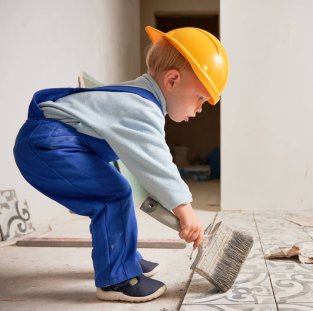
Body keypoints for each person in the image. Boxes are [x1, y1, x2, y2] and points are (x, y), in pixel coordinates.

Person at [13, 26, 229, 302]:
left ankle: (124, 257)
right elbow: (157, 163)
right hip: (47, 145)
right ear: (172, 80)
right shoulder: (141, 108)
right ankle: (116, 279)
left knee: (119, 189)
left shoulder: (138, 96)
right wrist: (185, 211)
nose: (199, 110)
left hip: (54, 142)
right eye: (200, 99)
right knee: (112, 195)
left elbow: (139, 165)